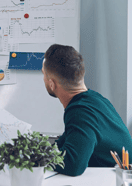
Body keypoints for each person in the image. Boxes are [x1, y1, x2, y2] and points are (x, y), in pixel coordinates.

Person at [42, 44, 132, 176]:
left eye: (43, 74)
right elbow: (65, 143)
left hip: (115, 180)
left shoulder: (80, 112)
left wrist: (35, 158)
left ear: (52, 84)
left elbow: (73, 165)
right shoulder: (95, 99)